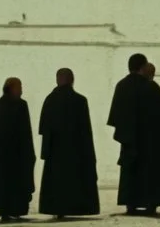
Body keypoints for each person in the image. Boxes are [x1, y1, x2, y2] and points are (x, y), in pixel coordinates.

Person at [107, 53, 160, 214]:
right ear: (142, 67)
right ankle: (150, 203)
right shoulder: (151, 87)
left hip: (129, 140)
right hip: (150, 142)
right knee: (149, 173)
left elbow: (115, 118)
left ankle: (130, 203)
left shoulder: (121, 86)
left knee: (130, 172)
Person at [38, 68, 100, 218]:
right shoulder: (80, 101)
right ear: (72, 80)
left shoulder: (50, 100)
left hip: (56, 152)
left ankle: (57, 209)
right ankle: (77, 208)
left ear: (57, 80)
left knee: (57, 182)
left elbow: (44, 129)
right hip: (77, 152)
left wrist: (45, 152)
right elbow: (86, 131)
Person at [0, 78, 35, 220]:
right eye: (19, 87)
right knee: (13, 184)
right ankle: (13, 210)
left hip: (5, 155)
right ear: (11, 88)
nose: (21, 90)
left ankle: (6, 211)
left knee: (6, 185)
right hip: (12, 155)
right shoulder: (19, 106)